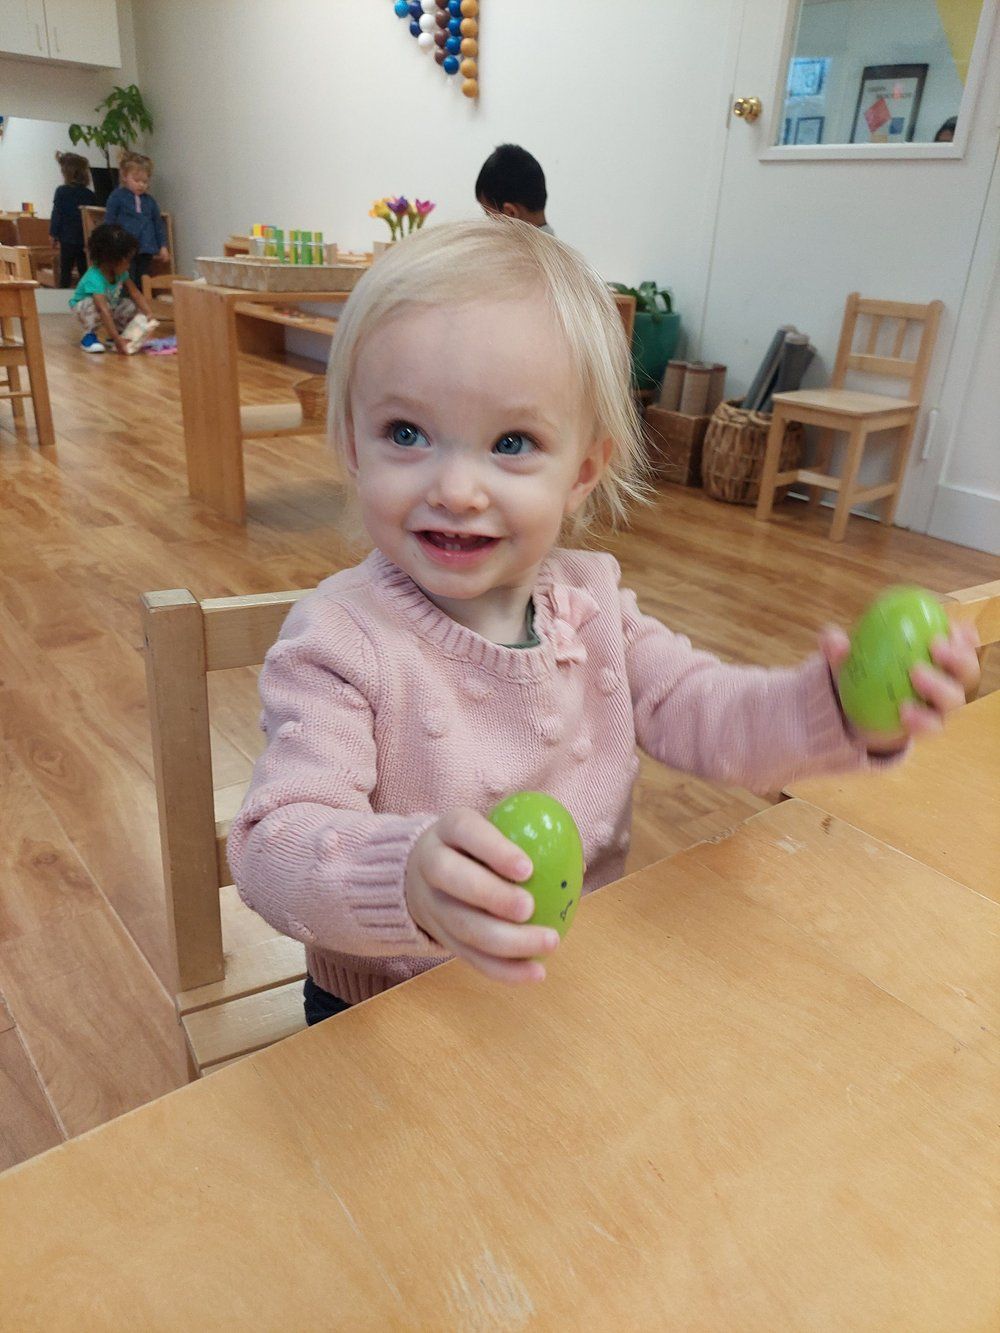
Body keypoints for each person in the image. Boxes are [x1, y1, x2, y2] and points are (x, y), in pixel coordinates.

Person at [227, 218, 980, 1026]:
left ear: (583, 471)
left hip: (561, 982)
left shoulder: (592, 611)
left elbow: (709, 714)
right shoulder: (339, 641)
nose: (457, 487)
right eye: (405, 433)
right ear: (350, 444)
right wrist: (404, 877)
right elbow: (274, 845)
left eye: (511, 442)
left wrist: (828, 708)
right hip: (385, 1008)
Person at [69, 222, 156, 353]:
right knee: (95, 305)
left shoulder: (121, 273)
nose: (129, 265)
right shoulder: (94, 278)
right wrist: (117, 339)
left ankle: (121, 334)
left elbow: (135, 293)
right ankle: (89, 337)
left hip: (108, 306)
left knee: (129, 305)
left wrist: (149, 314)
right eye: (127, 261)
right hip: (84, 309)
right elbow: (103, 309)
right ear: (112, 260)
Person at [103, 150, 169, 288]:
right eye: (137, 180)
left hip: (146, 249)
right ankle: (126, 304)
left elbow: (158, 223)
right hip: (125, 249)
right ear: (125, 176)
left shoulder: (150, 201)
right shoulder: (117, 197)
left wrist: (163, 246)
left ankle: (141, 304)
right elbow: (109, 221)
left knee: (143, 279)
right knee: (126, 278)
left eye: (145, 181)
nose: (141, 185)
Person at [475, 144, 553, 233]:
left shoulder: (521, 247)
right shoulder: (556, 245)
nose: (489, 224)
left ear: (510, 213)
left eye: (489, 216)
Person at [49, 151, 96, 289]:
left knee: (65, 270)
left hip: (67, 238)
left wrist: (53, 234)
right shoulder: (89, 194)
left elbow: (57, 214)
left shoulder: (62, 191)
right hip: (84, 238)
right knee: (84, 270)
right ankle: (85, 296)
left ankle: (62, 296)